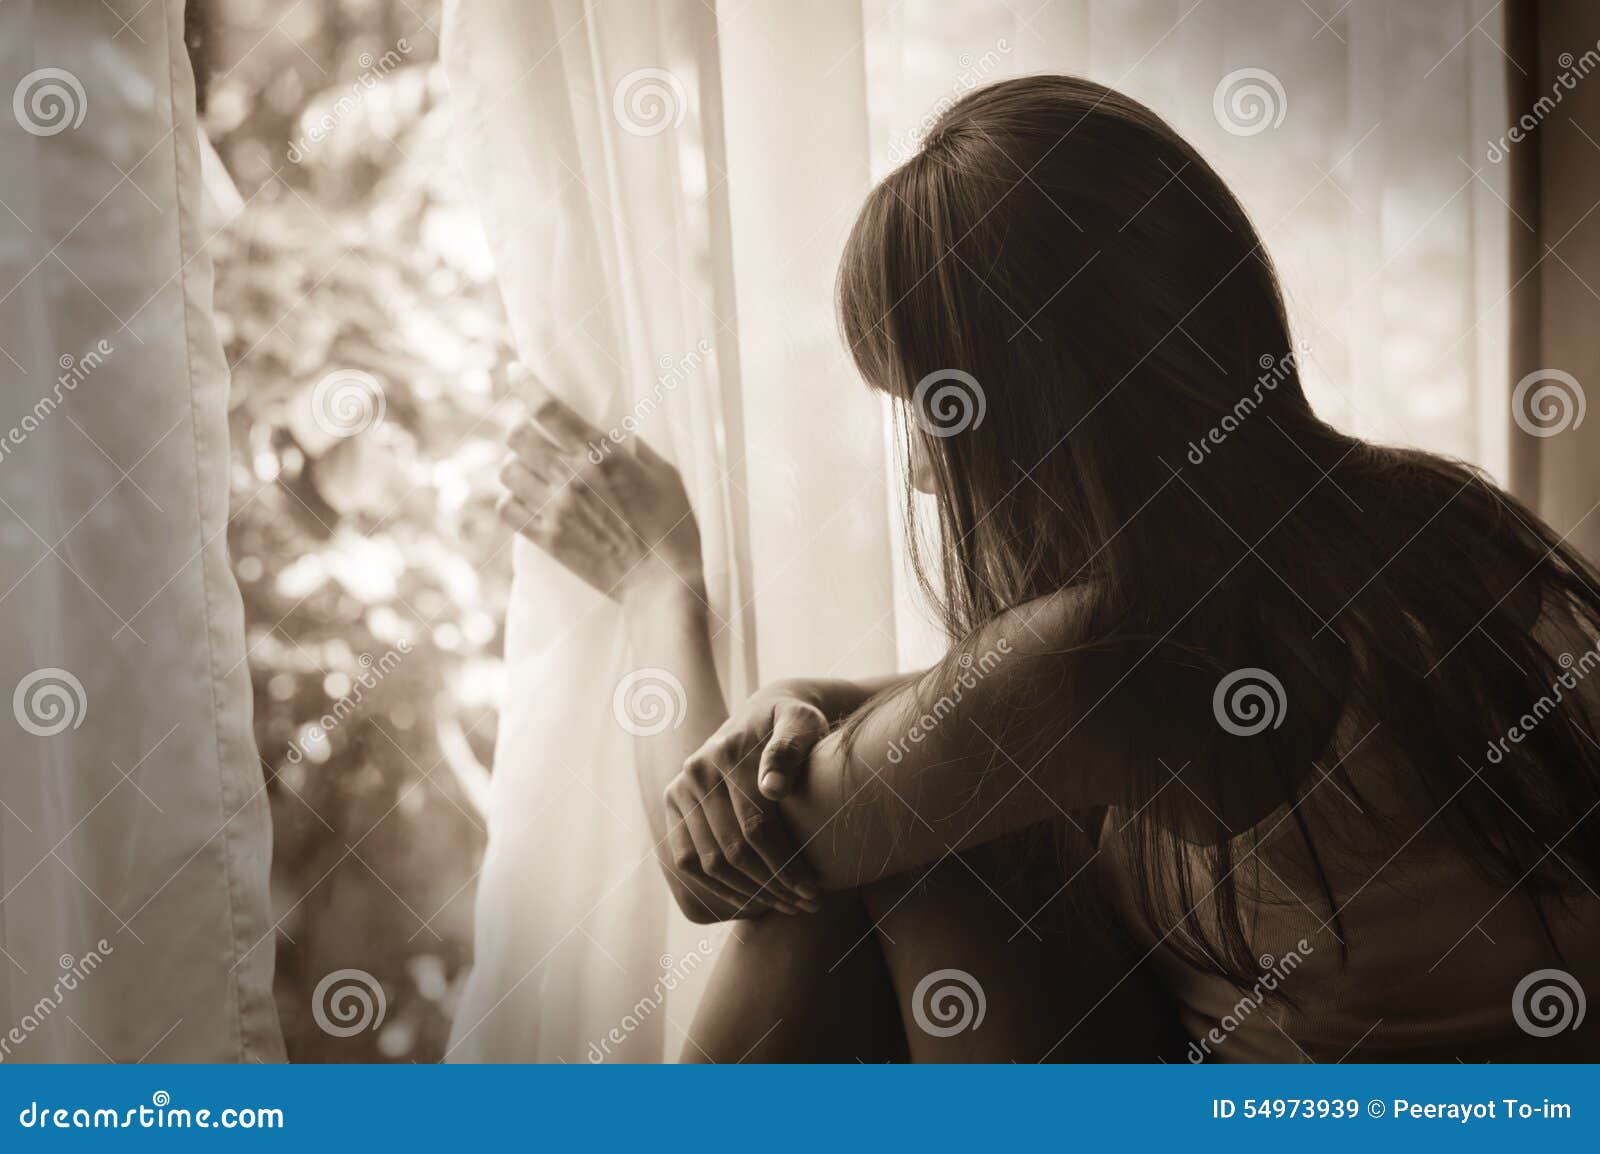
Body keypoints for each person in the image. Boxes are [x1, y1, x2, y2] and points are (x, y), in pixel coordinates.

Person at [497, 75, 1600, 1063]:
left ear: (1041, 409)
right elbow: (983, 726)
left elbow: (720, 867)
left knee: (905, 858)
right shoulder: (1424, 513)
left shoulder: (1114, 652)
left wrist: (658, 582)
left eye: (936, 415)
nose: (929, 478)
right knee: (934, 825)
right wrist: (811, 699)